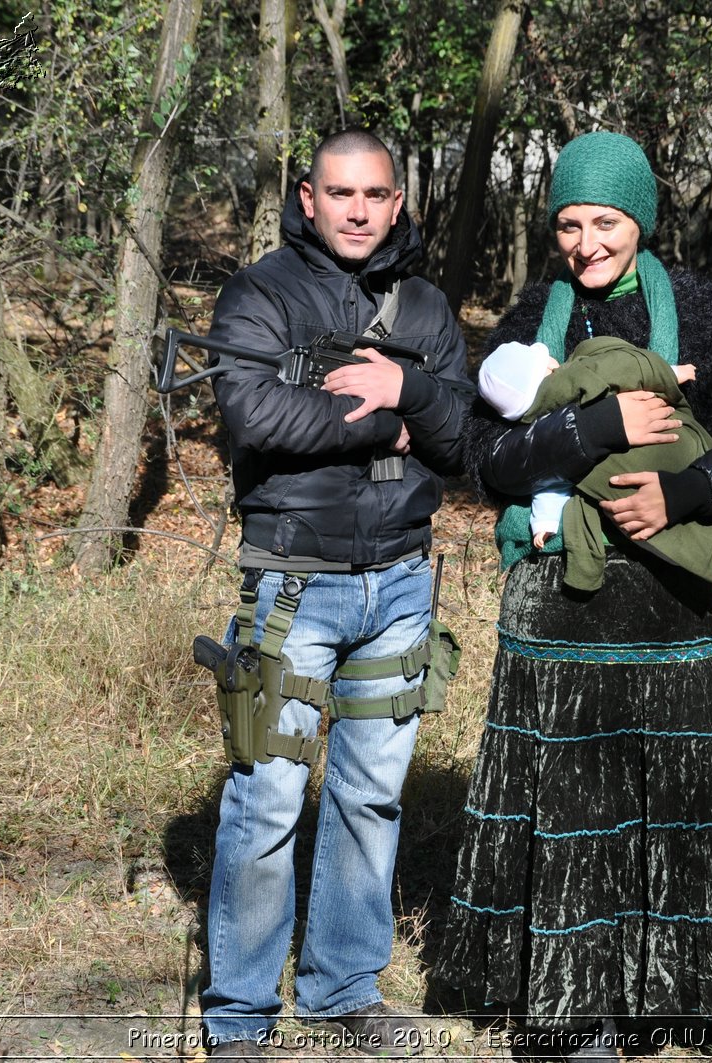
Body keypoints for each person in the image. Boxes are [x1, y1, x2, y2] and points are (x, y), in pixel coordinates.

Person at [434, 131, 712, 1060]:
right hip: (556, 608)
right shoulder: (533, 315)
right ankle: (575, 1015)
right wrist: (591, 425)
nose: (587, 242)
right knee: (573, 810)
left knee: (689, 800)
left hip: (670, 607)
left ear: (639, 220)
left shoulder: (705, 313)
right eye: (568, 222)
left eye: (605, 221)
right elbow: (485, 459)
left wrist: (686, 492)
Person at [200, 129, 471, 1059]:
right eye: (339, 192)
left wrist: (414, 395)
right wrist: (395, 411)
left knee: (370, 796)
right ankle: (238, 1015)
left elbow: (464, 437)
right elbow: (254, 413)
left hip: (402, 583)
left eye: (375, 194)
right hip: (293, 583)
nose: (358, 209)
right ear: (307, 197)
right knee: (268, 796)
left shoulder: (427, 306)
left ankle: (342, 989)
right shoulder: (261, 292)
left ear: (399, 203)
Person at [475, 337, 712, 587]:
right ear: (546, 368)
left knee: (647, 523)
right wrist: (669, 373)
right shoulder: (570, 376)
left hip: (611, 481)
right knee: (675, 472)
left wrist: (544, 520)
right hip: (662, 445)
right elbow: (620, 368)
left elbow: (550, 484)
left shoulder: (535, 420)